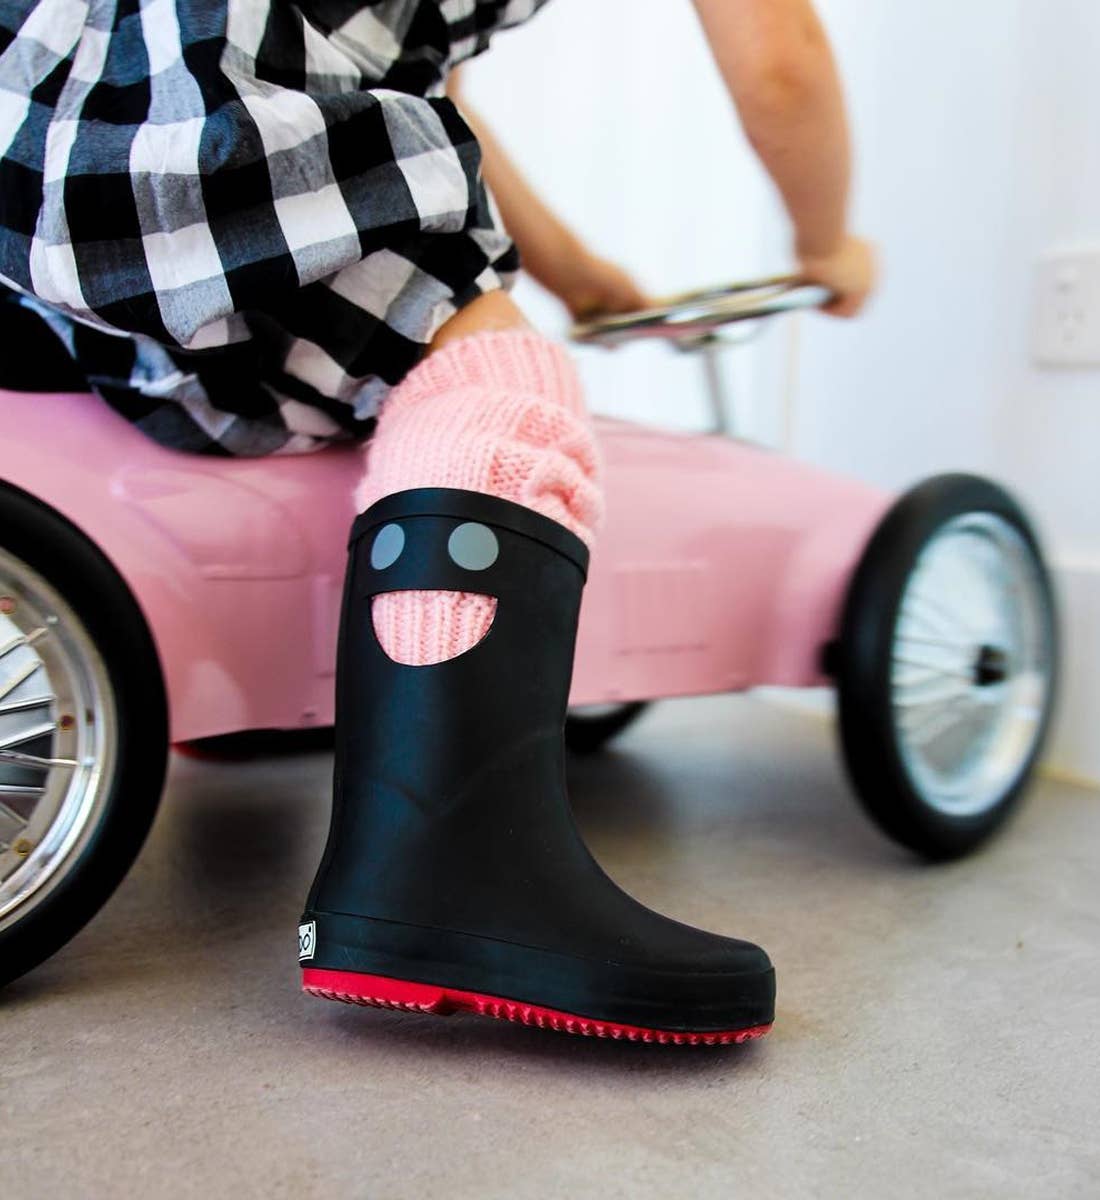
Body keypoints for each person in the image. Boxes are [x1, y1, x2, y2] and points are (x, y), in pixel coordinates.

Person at [0, 0, 875, 1044]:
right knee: (499, 384)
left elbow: (416, 81)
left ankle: (264, 687)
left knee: (297, 369)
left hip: (31, 142)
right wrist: (827, 242)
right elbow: (780, 61)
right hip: (218, 124)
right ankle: (447, 873)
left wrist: (579, 278)